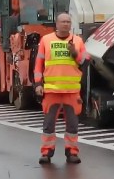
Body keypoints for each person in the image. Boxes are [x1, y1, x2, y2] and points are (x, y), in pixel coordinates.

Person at [33, 13, 88, 164]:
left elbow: (85, 62)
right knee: (49, 124)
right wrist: (38, 84)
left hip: (72, 91)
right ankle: (46, 152)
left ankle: (72, 152)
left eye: (68, 22)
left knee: (72, 124)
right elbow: (38, 65)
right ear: (56, 24)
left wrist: (75, 53)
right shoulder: (46, 40)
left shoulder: (77, 41)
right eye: (63, 21)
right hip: (51, 91)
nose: (66, 24)